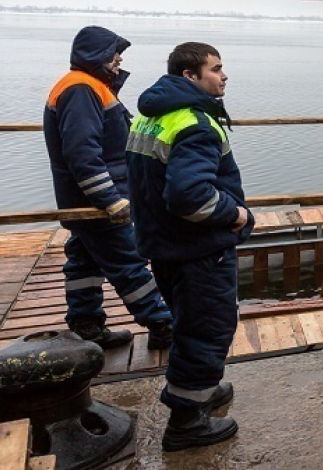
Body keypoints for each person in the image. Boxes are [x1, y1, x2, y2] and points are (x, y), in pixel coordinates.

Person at [125, 42, 254, 452]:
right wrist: (236, 216)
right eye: (216, 68)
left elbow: (147, 184)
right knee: (207, 328)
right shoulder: (194, 124)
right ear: (190, 77)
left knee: (187, 322)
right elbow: (190, 197)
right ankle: (186, 423)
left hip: (164, 245)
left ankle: (202, 391)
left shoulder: (152, 117)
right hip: (199, 249)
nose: (224, 74)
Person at [43, 26, 173, 350]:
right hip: (97, 201)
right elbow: (82, 153)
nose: (119, 61)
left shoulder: (89, 86)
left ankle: (87, 326)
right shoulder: (81, 89)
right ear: (97, 55)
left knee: (84, 259)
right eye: (115, 54)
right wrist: (109, 199)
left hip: (88, 198)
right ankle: (163, 325)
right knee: (128, 261)